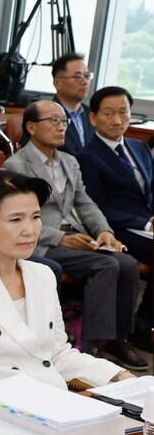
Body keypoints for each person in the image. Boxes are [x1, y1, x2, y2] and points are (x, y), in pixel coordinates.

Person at [0, 171, 137, 403]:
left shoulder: (43, 275)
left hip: (54, 404)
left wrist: (117, 375)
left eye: (35, 217)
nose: (30, 230)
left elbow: (57, 354)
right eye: (15, 219)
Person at [6, 100, 147, 370]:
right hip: (41, 241)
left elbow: (85, 203)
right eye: (54, 121)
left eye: (64, 122)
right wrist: (58, 238)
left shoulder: (69, 161)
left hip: (76, 236)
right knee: (104, 264)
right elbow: (18, 214)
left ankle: (119, 340)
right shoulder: (17, 165)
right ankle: (91, 347)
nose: (62, 127)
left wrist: (104, 231)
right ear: (32, 127)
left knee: (126, 263)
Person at [77, 85, 154, 345]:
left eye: (123, 112)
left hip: (148, 224)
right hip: (116, 228)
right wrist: (144, 222)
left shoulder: (139, 147)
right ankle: (140, 327)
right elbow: (97, 205)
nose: (117, 120)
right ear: (93, 117)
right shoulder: (87, 156)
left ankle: (144, 322)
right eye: (109, 113)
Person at [52, 53, 95, 156]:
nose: (85, 82)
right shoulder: (44, 115)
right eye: (78, 76)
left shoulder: (93, 114)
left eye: (87, 76)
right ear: (58, 83)